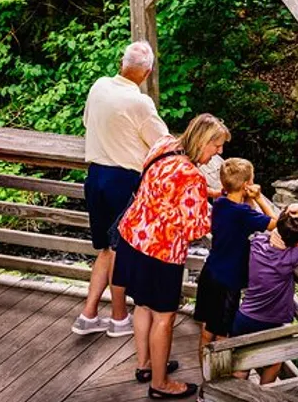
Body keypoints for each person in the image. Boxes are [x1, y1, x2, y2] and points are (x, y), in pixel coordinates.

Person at [113, 114, 228, 400]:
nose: (219, 153)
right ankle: (161, 384)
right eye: (217, 146)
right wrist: (224, 210)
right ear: (203, 141)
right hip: (161, 252)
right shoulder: (191, 176)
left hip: (133, 236)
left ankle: (146, 365)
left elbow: (163, 186)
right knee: (164, 318)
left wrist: (206, 193)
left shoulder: (164, 145)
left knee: (142, 305)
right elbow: (196, 228)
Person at [73, 41, 168, 338]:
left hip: (95, 176)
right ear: (148, 71)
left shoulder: (99, 86)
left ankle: (88, 315)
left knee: (105, 249)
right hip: (122, 180)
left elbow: (88, 121)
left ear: (121, 63)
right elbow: (162, 142)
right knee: (119, 251)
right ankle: (118, 318)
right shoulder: (140, 102)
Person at [194, 158, 277, 366]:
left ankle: (203, 371)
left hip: (210, 273)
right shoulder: (243, 214)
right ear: (247, 184)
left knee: (207, 328)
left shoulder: (221, 203)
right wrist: (258, 198)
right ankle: (217, 381)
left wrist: (246, 197)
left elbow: (240, 211)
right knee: (223, 334)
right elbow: (274, 223)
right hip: (227, 281)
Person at [232, 204, 298, 385]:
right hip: (271, 323)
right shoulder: (289, 258)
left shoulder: (258, 243)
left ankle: (236, 395)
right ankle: (263, 396)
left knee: (242, 366)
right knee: (273, 363)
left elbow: (275, 226)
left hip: (243, 318)